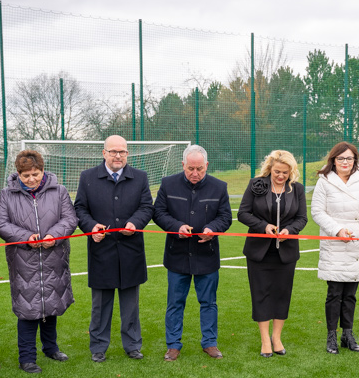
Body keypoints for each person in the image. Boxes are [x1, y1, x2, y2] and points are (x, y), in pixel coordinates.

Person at [0, 150, 78, 373]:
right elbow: (1, 224)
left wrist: (54, 235)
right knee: (28, 308)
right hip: (23, 261)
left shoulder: (59, 191)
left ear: (43, 170)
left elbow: (70, 219)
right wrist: (25, 238)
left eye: (36, 173)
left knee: (50, 304)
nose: (31, 179)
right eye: (26, 175)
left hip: (54, 258)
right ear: (18, 174)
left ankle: (51, 348)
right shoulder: (6, 195)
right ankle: (27, 357)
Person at [74, 135, 154, 363]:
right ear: (104, 153)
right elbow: (79, 208)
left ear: (127, 154)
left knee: (131, 304)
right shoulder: (88, 177)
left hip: (131, 251)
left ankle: (132, 345)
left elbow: (147, 206)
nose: (118, 156)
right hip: (101, 251)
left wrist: (135, 223)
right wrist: (91, 227)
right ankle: (98, 346)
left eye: (122, 152)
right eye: (113, 152)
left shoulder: (140, 177)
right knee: (101, 304)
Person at [153, 145, 232, 361]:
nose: (195, 173)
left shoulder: (219, 187)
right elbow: (158, 213)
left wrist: (212, 230)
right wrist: (176, 226)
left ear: (207, 166)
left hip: (207, 255)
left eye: (199, 169)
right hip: (177, 254)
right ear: (183, 165)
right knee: (175, 303)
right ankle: (173, 345)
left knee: (208, 302)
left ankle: (210, 343)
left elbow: (226, 217)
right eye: (190, 169)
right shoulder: (168, 184)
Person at [311, 142, 359, 354]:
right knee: (334, 293)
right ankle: (331, 335)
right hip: (335, 242)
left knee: (350, 293)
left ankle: (347, 335)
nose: (345, 163)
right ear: (333, 160)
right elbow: (317, 212)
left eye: (349, 158)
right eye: (341, 159)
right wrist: (337, 229)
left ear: (355, 160)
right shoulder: (324, 182)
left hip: (358, 241)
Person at [237, 150, 308, 358]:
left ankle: (277, 338)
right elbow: (243, 213)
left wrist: (290, 231)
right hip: (259, 252)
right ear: (270, 168)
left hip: (286, 253)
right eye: (277, 171)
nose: (280, 176)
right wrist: (263, 226)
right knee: (261, 294)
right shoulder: (256, 185)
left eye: (285, 173)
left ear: (291, 172)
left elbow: (302, 218)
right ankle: (264, 340)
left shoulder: (297, 190)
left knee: (282, 294)